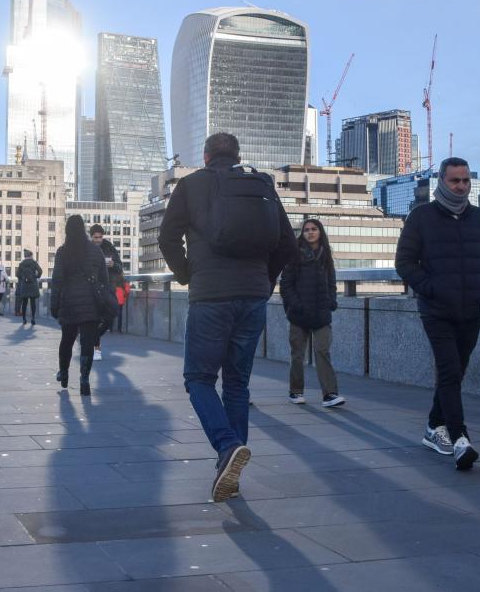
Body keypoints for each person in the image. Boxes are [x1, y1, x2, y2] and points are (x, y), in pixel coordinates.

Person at [158, 133, 296, 502]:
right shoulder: (260, 183)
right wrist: (264, 282)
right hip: (252, 297)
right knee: (237, 384)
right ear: (237, 156)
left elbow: (167, 238)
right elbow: (288, 244)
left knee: (199, 379)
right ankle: (230, 470)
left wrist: (187, 274)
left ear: (205, 156)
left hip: (211, 296)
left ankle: (226, 447)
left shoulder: (189, 186)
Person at [395, 156, 480, 472]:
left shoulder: (479, 218)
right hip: (436, 310)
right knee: (449, 369)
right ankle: (459, 439)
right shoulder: (421, 217)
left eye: (466, 180)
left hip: (471, 308)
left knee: (456, 371)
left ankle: (433, 426)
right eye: (455, 180)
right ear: (441, 181)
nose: (461, 186)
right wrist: (431, 288)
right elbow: (404, 262)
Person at [279, 218, 343, 408]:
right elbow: (285, 284)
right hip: (299, 314)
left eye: (314, 229)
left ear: (320, 232)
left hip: (321, 313)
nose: (310, 232)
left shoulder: (326, 255)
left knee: (322, 351)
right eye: (306, 230)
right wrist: (295, 305)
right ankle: (295, 391)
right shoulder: (294, 254)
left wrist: (332, 301)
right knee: (297, 354)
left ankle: (330, 394)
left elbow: (331, 281)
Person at [50, 215, 109, 396]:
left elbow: (57, 280)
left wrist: (54, 305)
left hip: (69, 302)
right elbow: (104, 279)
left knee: (66, 340)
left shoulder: (62, 252)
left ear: (67, 230)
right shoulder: (94, 250)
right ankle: (84, 378)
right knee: (87, 342)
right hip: (90, 302)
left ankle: (64, 372)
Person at [89, 225, 124, 359]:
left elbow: (119, 267)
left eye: (100, 237)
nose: (98, 240)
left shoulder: (109, 247)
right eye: (95, 237)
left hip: (108, 288)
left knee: (111, 315)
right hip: (91, 288)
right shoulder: (86, 248)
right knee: (94, 319)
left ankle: (94, 338)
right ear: (91, 236)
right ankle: (96, 349)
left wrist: (112, 265)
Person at [15, 250, 43, 326]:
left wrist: (23, 278)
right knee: (33, 302)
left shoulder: (22, 264)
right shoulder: (34, 263)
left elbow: (17, 274)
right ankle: (33, 318)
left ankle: (24, 319)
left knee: (24, 302)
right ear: (30, 255)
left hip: (24, 285)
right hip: (33, 284)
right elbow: (40, 271)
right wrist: (36, 277)